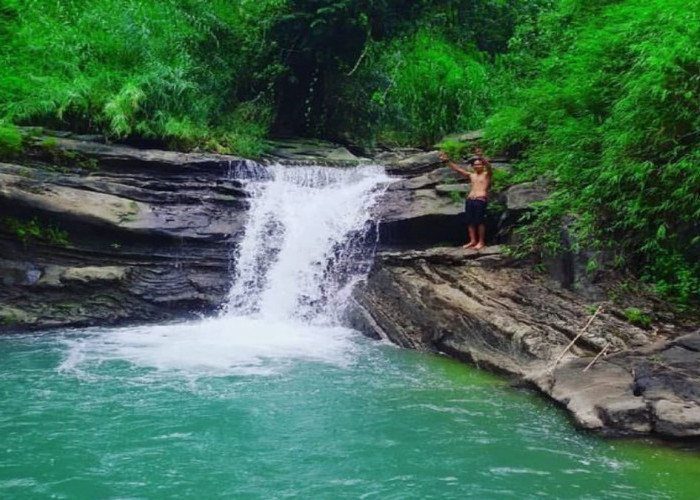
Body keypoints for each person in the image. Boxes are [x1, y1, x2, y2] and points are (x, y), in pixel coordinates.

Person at [439, 151, 492, 250]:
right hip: (470, 200)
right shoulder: (472, 175)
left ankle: (481, 242)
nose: (477, 166)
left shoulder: (486, 174)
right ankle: (472, 241)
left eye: (479, 164)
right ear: (473, 166)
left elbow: (489, 167)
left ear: (482, 165)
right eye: (475, 165)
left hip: (480, 200)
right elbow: (458, 170)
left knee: (480, 221)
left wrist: (481, 157)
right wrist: (447, 161)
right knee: (470, 221)